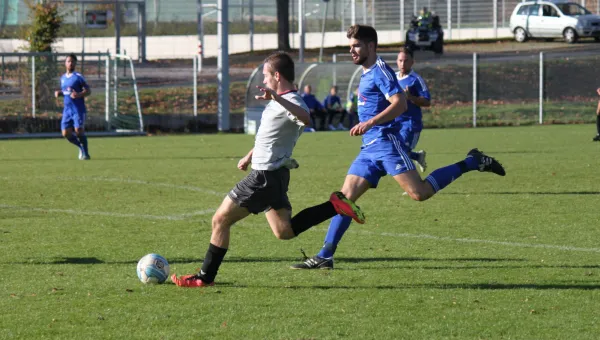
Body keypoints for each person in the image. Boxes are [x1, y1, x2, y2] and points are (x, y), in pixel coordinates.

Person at [290, 25, 506, 270]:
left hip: (386, 142)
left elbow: (400, 103)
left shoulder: (380, 70)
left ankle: (472, 162)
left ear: (371, 46)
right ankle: (325, 256)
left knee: (420, 193)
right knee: (345, 200)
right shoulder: (366, 71)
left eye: (356, 46)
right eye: (350, 46)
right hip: (369, 147)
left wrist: (370, 122)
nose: (352, 51)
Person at [171, 52, 366, 287]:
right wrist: (249, 155)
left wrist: (277, 98)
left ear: (277, 75)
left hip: (263, 177)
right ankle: (334, 205)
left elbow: (306, 118)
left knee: (220, 220)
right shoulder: (278, 101)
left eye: (265, 76)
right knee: (284, 231)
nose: (263, 81)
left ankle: (204, 277)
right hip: (273, 175)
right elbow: (270, 137)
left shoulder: (292, 100)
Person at [396, 47, 430, 172]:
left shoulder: (416, 80)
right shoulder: (393, 78)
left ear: (412, 62)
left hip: (410, 124)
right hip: (394, 123)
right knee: (394, 152)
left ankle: (414, 186)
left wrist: (411, 97)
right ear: (396, 61)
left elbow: (427, 101)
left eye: (406, 61)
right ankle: (417, 156)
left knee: (402, 154)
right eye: (400, 60)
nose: (402, 64)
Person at [54, 53, 91, 160]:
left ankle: (86, 154)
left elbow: (88, 91)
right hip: (67, 110)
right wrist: (59, 93)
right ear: (65, 63)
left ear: (75, 63)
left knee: (79, 130)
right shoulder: (63, 78)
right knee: (65, 133)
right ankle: (81, 147)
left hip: (78, 109)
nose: (70, 63)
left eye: (72, 61)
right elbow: (67, 91)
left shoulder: (78, 77)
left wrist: (79, 95)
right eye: (68, 61)